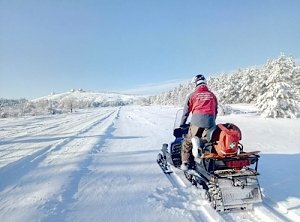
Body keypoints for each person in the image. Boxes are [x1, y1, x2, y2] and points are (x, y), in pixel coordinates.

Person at [180, 74, 218, 171]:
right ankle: (206, 160)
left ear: (196, 83)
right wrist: (212, 121)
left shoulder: (192, 95)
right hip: (210, 121)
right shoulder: (212, 95)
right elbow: (215, 110)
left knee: (187, 142)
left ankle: (185, 163)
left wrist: (182, 124)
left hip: (196, 121)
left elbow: (186, 112)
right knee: (208, 141)